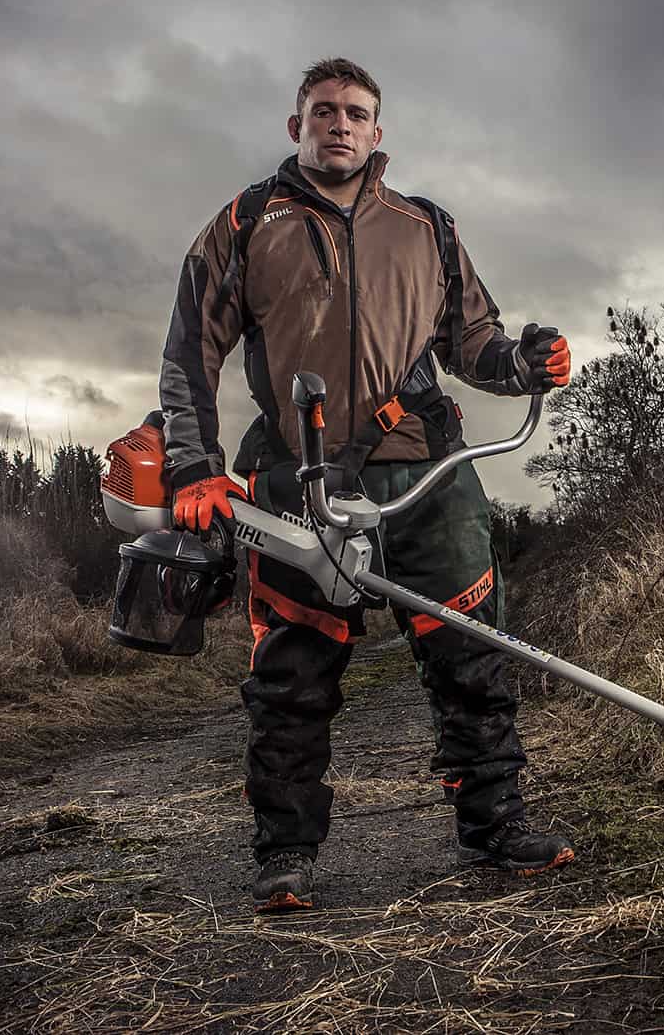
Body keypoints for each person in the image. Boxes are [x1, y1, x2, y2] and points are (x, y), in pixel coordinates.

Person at [159, 56, 576, 913]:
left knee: (472, 653)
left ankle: (494, 826)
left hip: (426, 465)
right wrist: (194, 470)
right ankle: (285, 855)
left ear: (378, 132)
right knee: (292, 671)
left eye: (354, 112)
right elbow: (189, 352)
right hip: (294, 476)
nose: (338, 123)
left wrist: (526, 364)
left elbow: (476, 343)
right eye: (322, 111)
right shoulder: (245, 223)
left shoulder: (426, 227)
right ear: (296, 126)